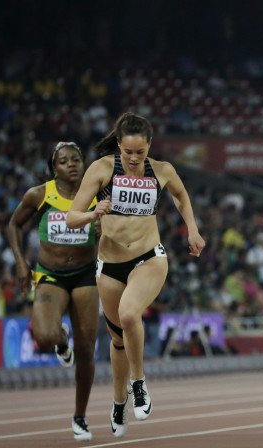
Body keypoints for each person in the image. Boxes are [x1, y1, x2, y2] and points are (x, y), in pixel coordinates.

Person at [66, 112, 205, 438]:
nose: (133, 158)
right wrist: (92, 213)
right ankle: (118, 402)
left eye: (140, 152)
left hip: (148, 258)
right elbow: (71, 217)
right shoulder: (101, 169)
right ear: (119, 145)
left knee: (129, 315)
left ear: (149, 147)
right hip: (109, 265)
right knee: (117, 339)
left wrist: (193, 229)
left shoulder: (162, 170)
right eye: (128, 152)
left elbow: (181, 195)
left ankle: (138, 383)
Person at [6, 141, 99, 441]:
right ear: (54, 168)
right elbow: (13, 225)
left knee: (86, 351)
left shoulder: (98, 195)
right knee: (44, 338)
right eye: (64, 161)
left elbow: (118, 234)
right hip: (49, 275)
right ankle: (62, 339)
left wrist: (104, 230)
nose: (71, 164)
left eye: (76, 159)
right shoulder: (39, 195)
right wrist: (21, 263)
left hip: (85, 275)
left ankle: (80, 417)